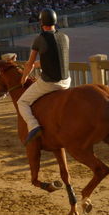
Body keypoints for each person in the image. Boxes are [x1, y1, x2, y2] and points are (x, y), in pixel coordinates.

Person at [17, 8, 71, 145]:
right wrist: (37, 64)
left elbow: (28, 65)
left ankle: (33, 126)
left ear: (41, 23)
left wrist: (23, 78)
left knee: (21, 102)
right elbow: (55, 58)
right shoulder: (65, 37)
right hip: (66, 81)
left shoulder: (39, 39)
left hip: (50, 83)